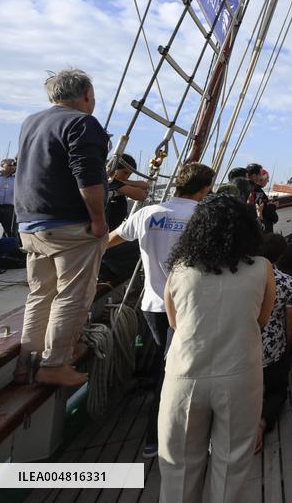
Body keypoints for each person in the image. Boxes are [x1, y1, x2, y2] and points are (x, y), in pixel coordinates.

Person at [158, 194, 275, 503]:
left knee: (178, 468)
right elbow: (261, 319)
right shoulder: (262, 268)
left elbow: (173, 323)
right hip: (239, 374)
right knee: (231, 465)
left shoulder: (179, 271)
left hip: (184, 376)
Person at [106, 161, 215, 459]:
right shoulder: (204, 216)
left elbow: (108, 241)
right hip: (191, 307)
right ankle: (176, 437)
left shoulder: (147, 214)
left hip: (153, 305)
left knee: (163, 369)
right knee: (185, 372)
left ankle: (154, 438)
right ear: (205, 189)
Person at [13, 69, 110, 387]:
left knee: (40, 293)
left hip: (30, 225)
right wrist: (98, 219)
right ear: (85, 95)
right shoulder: (82, 122)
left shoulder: (32, 121)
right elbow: (87, 175)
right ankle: (54, 365)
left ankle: (26, 362)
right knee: (72, 295)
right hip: (69, 226)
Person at [257, 233, 292, 451]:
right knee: (277, 391)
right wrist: (286, 347)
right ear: (281, 255)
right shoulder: (285, 281)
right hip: (273, 352)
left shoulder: (241, 278)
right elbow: (291, 321)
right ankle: (263, 421)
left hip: (242, 353)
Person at [104, 153, 150, 230]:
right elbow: (141, 195)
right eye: (125, 172)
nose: (127, 176)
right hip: (104, 231)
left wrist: (124, 182)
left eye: (129, 174)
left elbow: (146, 185)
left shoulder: (116, 181)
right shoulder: (109, 181)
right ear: (114, 169)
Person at [246, 163, 278, 233]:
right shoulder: (258, 193)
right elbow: (270, 215)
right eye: (259, 175)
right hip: (261, 232)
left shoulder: (244, 189)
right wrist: (273, 206)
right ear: (254, 176)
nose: (260, 177)